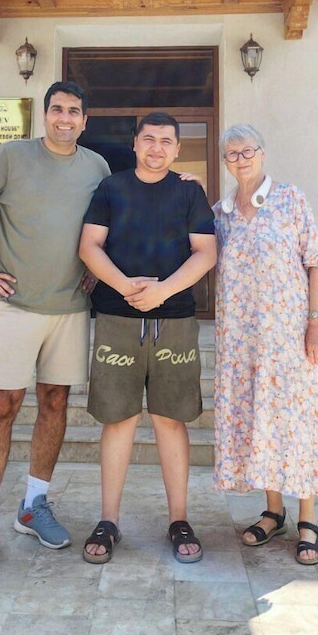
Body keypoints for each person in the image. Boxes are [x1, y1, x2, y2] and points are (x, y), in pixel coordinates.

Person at [0, 81, 110, 582]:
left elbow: (108, 225)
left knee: (56, 403)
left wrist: (96, 270)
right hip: (15, 308)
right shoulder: (11, 157)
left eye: (74, 111)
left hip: (70, 309)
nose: (65, 118)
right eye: (57, 109)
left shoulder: (98, 168)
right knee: (0, 408)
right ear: (45, 115)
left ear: (85, 120)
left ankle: (33, 505)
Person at [78, 111, 217, 565]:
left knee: (169, 421)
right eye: (149, 139)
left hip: (175, 321)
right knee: (117, 420)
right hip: (117, 320)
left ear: (177, 149)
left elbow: (206, 252)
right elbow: (89, 246)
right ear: (135, 144)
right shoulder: (111, 189)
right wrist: (126, 288)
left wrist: (163, 291)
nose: (157, 147)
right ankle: (109, 520)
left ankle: (178, 518)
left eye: (166, 141)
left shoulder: (189, 191)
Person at [212, 124, 318, 566]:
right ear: (225, 162)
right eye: (232, 155)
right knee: (258, 419)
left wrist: (316, 326)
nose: (240, 160)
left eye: (247, 151)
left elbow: (317, 264)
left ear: (262, 154)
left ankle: (307, 518)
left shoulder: (290, 199)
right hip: (242, 341)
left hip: (289, 338)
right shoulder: (220, 213)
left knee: (296, 421)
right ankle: (273, 510)